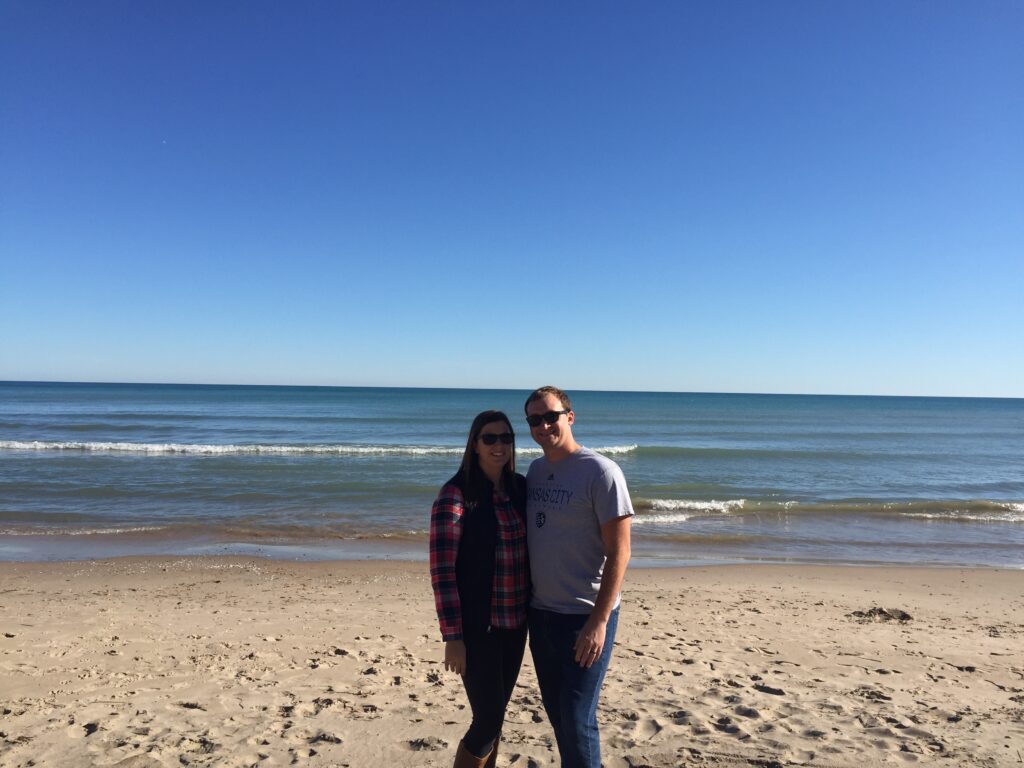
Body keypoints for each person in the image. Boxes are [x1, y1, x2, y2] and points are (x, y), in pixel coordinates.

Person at [523, 386, 634, 768]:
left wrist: (599, 621)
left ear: (569, 417)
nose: (543, 425)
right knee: (558, 717)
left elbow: (621, 551)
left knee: (576, 718)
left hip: (584, 617)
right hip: (541, 616)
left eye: (550, 416)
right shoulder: (536, 471)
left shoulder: (601, 472)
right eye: (534, 420)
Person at [429, 410, 530, 768]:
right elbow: (442, 572)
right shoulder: (455, 496)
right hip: (477, 629)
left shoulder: (519, 489)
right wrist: (452, 636)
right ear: (474, 444)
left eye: (506, 438)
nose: (499, 445)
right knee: (486, 720)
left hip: (516, 624)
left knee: (497, 716)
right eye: (490, 438)